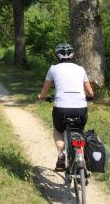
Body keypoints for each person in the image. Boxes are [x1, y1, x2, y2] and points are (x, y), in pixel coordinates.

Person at [37, 43, 94, 171]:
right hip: (80, 108)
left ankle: (61, 154)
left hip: (61, 108)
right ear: (72, 55)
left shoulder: (53, 69)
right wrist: (90, 97)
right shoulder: (81, 69)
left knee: (58, 130)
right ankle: (82, 162)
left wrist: (42, 97)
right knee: (79, 131)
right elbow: (90, 92)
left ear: (57, 55)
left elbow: (46, 89)